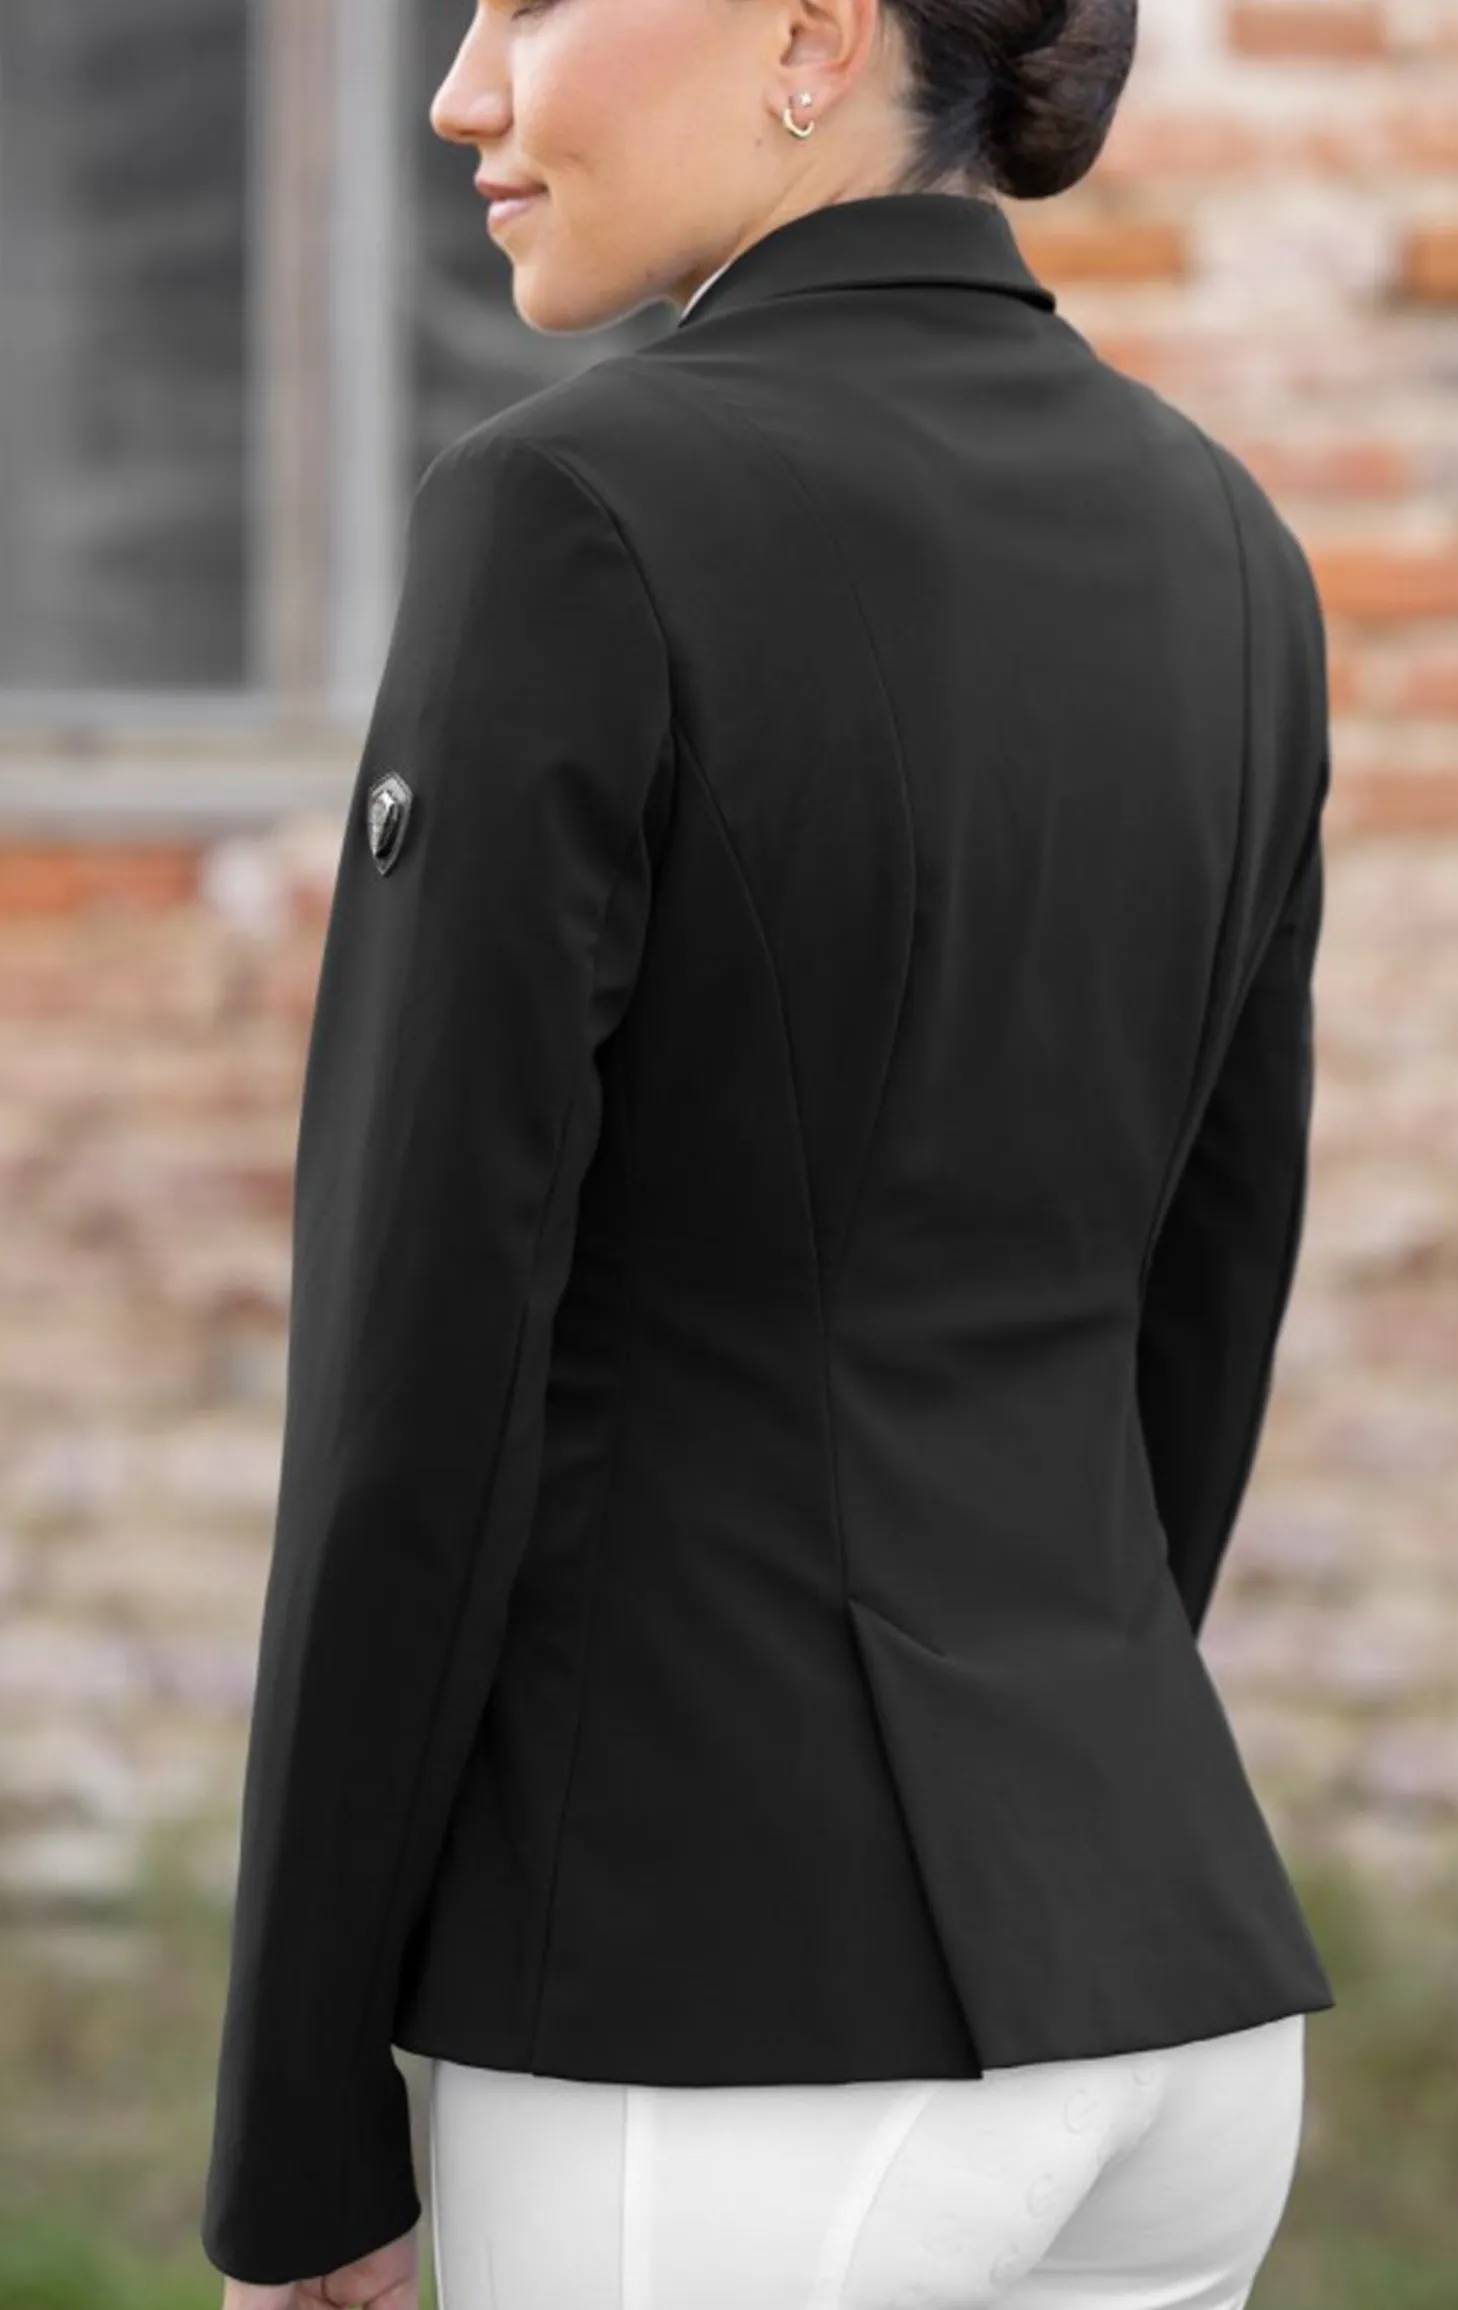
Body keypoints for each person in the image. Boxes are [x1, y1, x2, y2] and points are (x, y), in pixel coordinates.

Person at [201, 0, 1338, 2303]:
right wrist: (1054, 1813)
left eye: (532, 2)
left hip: (713, 2044)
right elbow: (1208, 1297)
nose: (459, 89)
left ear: (812, 33)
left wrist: (297, 2136)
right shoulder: (1224, 536)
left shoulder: (568, 508)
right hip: (1164, 1996)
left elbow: (417, 1387)